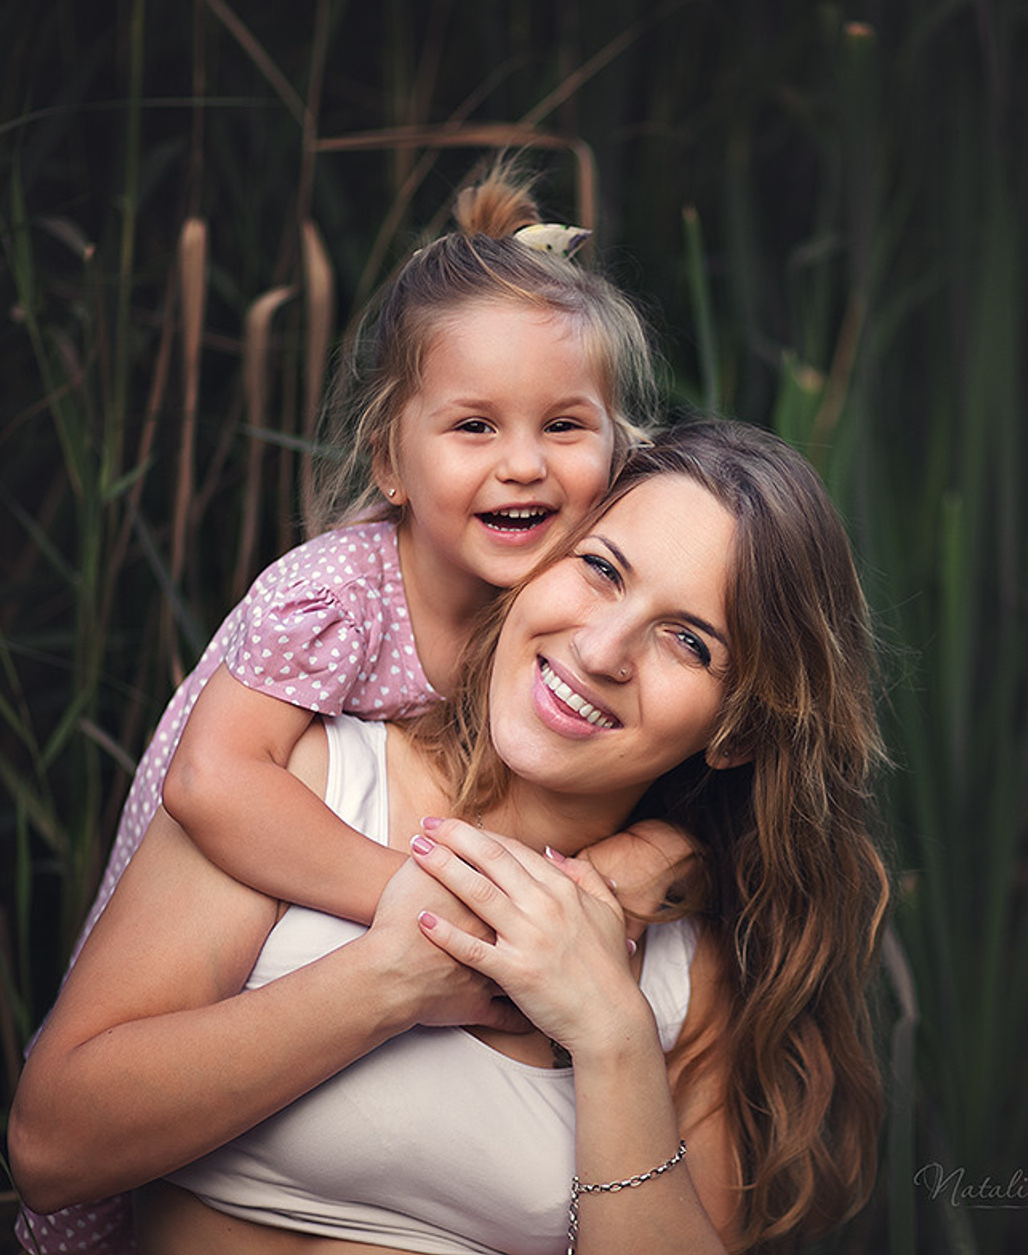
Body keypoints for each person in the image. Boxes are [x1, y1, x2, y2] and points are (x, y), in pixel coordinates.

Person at [10, 422, 891, 1255]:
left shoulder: (683, 973)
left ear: (735, 731)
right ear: (534, 560)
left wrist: (612, 1031)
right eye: (600, 569)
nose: (601, 648)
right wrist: (391, 980)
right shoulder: (299, 792)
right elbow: (51, 1150)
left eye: (689, 643)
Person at [19, 162, 680, 1255]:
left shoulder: (552, 617)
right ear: (389, 460)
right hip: (206, 866)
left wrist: (649, 851)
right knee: (95, 1197)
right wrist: (420, 910)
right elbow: (214, 781)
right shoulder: (336, 590)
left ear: (617, 455)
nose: (522, 462)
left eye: (564, 424)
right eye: (473, 427)